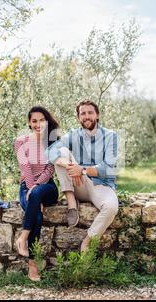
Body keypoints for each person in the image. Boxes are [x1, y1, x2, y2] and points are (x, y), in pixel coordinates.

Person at [46, 99, 119, 252]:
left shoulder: (110, 136)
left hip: (102, 185)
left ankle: (87, 242)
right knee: (62, 153)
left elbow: (108, 167)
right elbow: (50, 151)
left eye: (90, 113)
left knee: (111, 207)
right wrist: (68, 165)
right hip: (78, 184)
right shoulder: (73, 135)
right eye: (83, 113)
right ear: (79, 117)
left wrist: (83, 170)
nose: (86, 116)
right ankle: (71, 202)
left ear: (97, 115)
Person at [14, 106, 60, 281]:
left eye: (41, 120)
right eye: (34, 121)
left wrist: (36, 189)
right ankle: (32, 266)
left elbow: (50, 169)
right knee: (37, 218)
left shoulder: (53, 141)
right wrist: (32, 190)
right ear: (29, 122)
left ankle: (23, 237)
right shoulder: (20, 141)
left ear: (47, 121)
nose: (38, 124)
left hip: (47, 188)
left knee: (36, 193)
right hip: (26, 186)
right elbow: (25, 168)